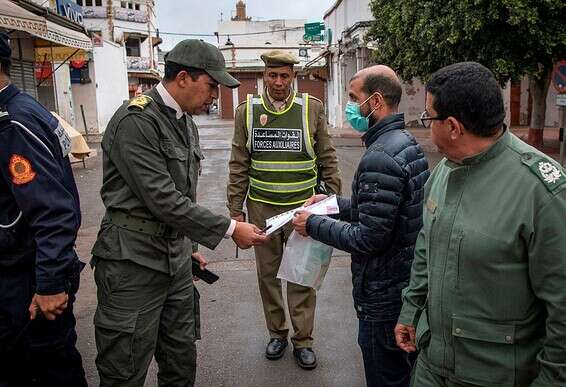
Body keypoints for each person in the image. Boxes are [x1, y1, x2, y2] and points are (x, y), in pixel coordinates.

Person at [91, 39, 268, 387]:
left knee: (180, 361)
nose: (215, 95)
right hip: (132, 265)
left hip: (173, 261)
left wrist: (188, 250)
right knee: (124, 369)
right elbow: (164, 200)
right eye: (212, 85)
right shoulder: (137, 121)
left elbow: (184, 197)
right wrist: (232, 229)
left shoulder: (184, 121)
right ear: (183, 77)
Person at [394, 61, 566, 386]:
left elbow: (563, 308)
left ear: (454, 127)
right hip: (432, 365)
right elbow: (426, 245)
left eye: (429, 118)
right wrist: (411, 309)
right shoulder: (443, 172)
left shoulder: (542, 192)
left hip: (494, 375)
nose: (426, 126)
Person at [293, 65, 429, 386]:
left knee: (386, 376)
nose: (351, 106)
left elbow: (368, 237)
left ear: (376, 101)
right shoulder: (404, 141)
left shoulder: (380, 155)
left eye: (355, 98)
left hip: (382, 295)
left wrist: (312, 225)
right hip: (402, 284)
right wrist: (331, 204)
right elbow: (381, 211)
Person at [227, 50, 341, 369]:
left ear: (294, 76)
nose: (278, 82)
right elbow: (238, 165)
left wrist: (332, 203)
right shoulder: (246, 112)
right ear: (264, 76)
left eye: (284, 75)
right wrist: (236, 213)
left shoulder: (311, 109)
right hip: (262, 211)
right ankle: (277, 334)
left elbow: (328, 159)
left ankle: (303, 340)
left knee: (302, 275)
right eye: (272, 75)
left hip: (302, 211)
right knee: (268, 275)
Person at [0, 32, 87, 386]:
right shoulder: (22, 111)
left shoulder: (13, 122)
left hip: (26, 278)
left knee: (46, 370)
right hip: (23, 272)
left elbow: (53, 210)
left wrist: (49, 283)